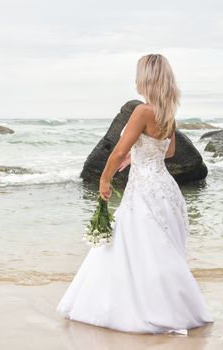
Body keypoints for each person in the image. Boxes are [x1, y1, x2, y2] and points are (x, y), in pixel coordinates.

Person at [56, 53, 213, 334]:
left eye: (138, 74)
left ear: (147, 79)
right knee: (157, 250)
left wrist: (104, 179)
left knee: (136, 248)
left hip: (144, 190)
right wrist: (139, 155)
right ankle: (178, 307)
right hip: (166, 189)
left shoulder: (142, 111)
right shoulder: (168, 113)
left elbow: (117, 151)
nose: (135, 79)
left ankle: (137, 310)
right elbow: (171, 152)